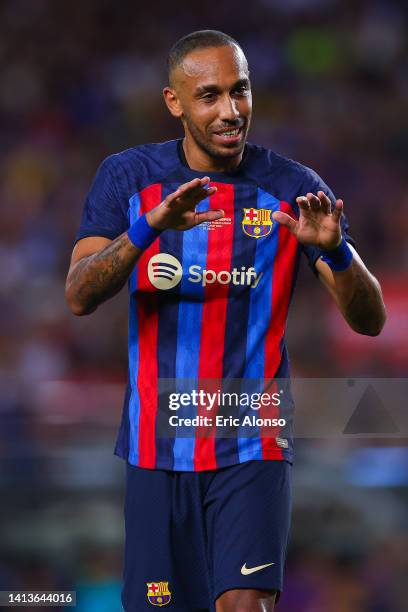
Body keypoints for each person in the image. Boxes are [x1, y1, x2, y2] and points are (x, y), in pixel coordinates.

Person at [65, 30, 386, 612]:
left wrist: (337, 252)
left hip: (252, 433)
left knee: (245, 603)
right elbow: (79, 295)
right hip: (156, 443)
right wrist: (148, 228)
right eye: (209, 96)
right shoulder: (128, 179)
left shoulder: (294, 188)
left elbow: (369, 320)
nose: (230, 111)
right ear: (174, 102)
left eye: (240, 92)